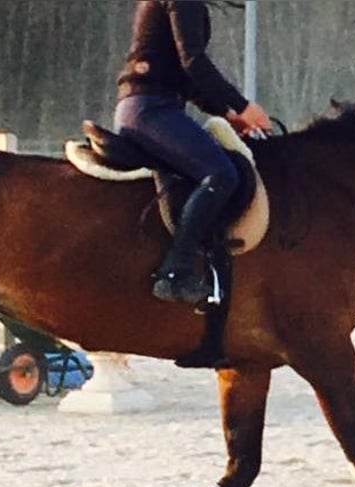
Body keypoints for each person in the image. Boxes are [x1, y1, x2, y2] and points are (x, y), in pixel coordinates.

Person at [113, 0, 272, 307]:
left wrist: (227, 113)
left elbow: (186, 79)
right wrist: (242, 105)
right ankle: (176, 269)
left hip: (153, 105)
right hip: (150, 109)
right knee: (222, 173)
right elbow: (194, 63)